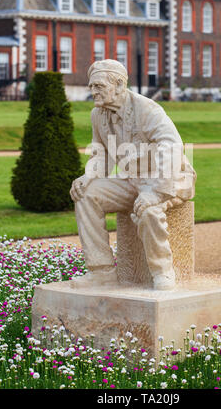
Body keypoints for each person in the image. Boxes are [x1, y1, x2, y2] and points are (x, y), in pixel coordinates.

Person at [70, 59, 196, 290]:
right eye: (91, 87)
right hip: (132, 178)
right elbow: (101, 153)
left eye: (98, 86)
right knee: (86, 194)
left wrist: (157, 192)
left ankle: (162, 271)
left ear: (118, 85)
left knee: (147, 209)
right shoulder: (97, 115)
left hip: (168, 178)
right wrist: (88, 176)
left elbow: (172, 146)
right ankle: (101, 271)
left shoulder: (147, 109)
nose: (92, 91)